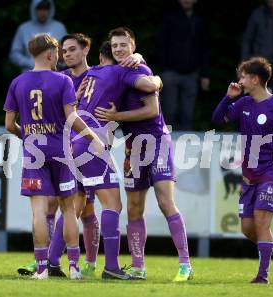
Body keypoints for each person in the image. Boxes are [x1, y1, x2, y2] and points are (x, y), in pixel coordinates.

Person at [95, 27, 193, 282]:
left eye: (123, 45)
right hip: (132, 147)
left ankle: (185, 264)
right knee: (134, 209)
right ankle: (139, 266)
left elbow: (151, 110)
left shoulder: (140, 70)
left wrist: (117, 117)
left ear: (132, 46)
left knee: (165, 202)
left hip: (156, 142)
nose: (118, 49)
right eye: (114, 45)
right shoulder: (114, 75)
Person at [3, 34, 104, 279]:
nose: (59, 57)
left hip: (34, 153)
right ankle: (74, 267)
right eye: (58, 53)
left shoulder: (17, 82)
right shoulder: (62, 81)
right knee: (68, 209)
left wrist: (27, 135)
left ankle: (41, 269)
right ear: (50, 54)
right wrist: (94, 138)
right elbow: (72, 117)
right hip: (61, 151)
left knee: (38, 210)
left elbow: (8, 125)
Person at [74, 40, 162, 280]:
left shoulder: (91, 73)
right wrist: (152, 73)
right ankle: (111, 266)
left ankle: (53, 262)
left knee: (74, 207)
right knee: (113, 205)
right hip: (92, 143)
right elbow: (149, 84)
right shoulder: (121, 71)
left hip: (72, 141)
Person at [212, 57, 273, 284]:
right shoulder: (243, 104)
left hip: (271, 173)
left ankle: (262, 276)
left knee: (262, 224)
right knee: (248, 229)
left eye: (242, 76)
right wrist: (228, 98)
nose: (239, 80)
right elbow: (217, 119)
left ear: (254, 79)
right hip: (249, 175)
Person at [157, 0, 210, 131]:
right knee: (169, 111)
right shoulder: (169, 20)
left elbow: (205, 49)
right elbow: (161, 45)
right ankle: (166, 144)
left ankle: (185, 145)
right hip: (170, 73)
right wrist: (164, 69)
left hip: (192, 73)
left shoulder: (199, 21)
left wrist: (205, 74)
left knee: (188, 113)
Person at [10, 0, 67, 71]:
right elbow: (14, 54)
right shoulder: (23, 28)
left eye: (46, 8)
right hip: (30, 74)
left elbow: (65, 52)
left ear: (51, 9)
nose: (43, 12)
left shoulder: (59, 27)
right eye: (39, 9)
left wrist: (60, 63)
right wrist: (30, 63)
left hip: (55, 74)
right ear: (33, 9)